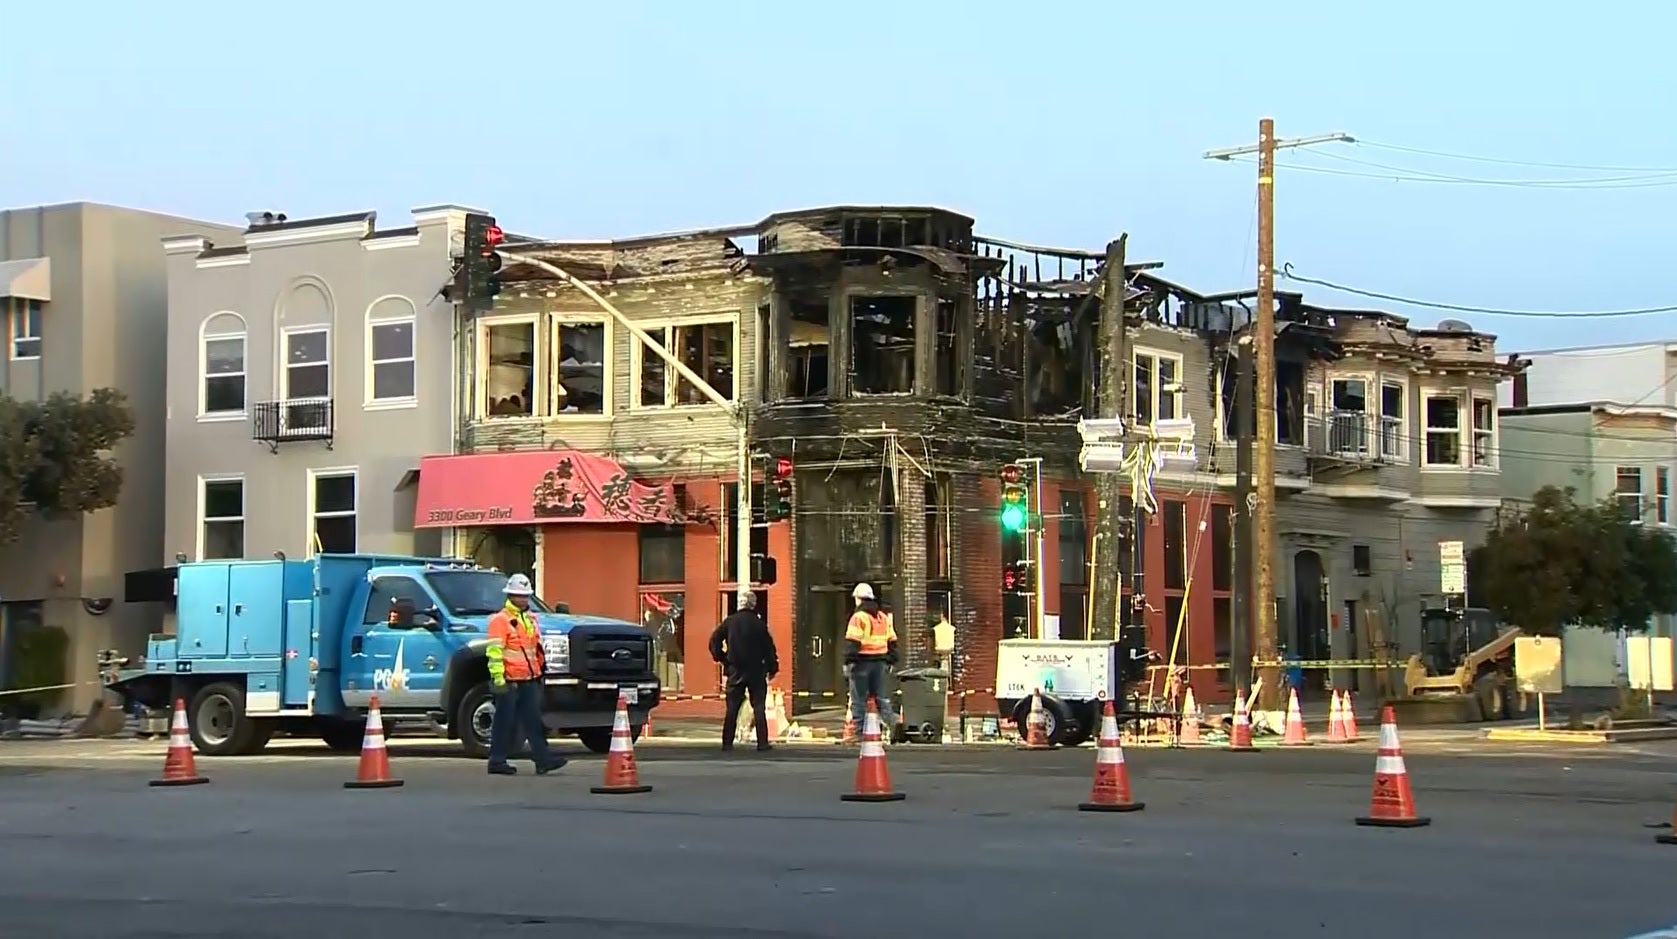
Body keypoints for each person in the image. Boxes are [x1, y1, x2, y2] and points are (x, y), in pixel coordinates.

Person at [486, 573, 566, 777]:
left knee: (534, 721)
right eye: (518, 595)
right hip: (510, 679)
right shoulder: (500, 620)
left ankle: (543, 759)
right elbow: (494, 652)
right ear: (510, 595)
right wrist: (498, 679)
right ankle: (497, 760)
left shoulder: (531, 618)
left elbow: (534, 648)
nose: (523, 599)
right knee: (505, 721)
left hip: (530, 678)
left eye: (525, 595)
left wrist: (540, 671)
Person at [709, 590, 778, 752]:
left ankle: (727, 743)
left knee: (732, 708)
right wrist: (772, 667)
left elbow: (714, 640)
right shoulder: (759, 624)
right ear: (753, 605)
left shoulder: (730, 622)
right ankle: (762, 743)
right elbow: (769, 648)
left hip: (735, 669)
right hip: (756, 670)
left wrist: (722, 658)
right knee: (759, 707)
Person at [843, 583, 898, 741]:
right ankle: (893, 724)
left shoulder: (858, 617)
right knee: (881, 698)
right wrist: (891, 660)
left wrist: (849, 662)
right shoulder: (883, 617)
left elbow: (853, 642)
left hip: (862, 663)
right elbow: (892, 641)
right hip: (880, 662)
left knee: (858, 699)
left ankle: (859, 733)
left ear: (859, 599)